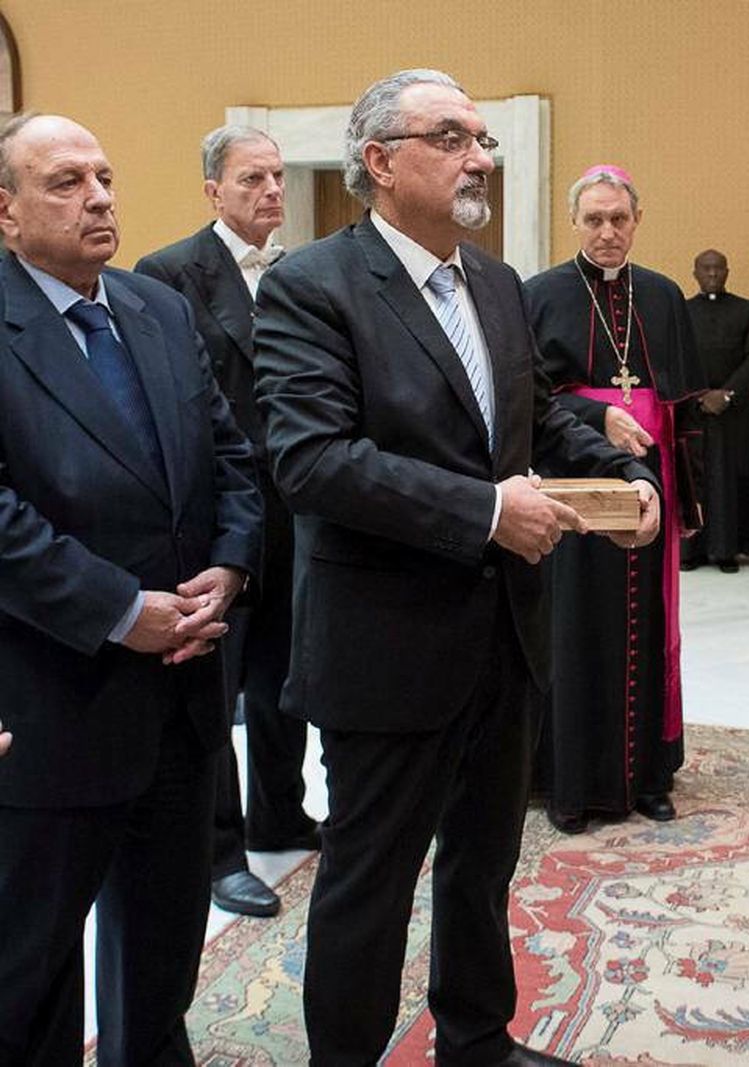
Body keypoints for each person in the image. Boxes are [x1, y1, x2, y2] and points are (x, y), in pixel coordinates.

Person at [252, 69, 658, 1065]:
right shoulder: (312, 286)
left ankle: (476, 1037)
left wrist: (616, 472)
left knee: (482, 863)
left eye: (483, 138)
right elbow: (313, 460)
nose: (480, 156)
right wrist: (484, 512)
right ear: (381, 162)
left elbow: (533, 414)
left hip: (504, 637)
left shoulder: (496, 282)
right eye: (453, 137)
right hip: (384, 648)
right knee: (369, 882)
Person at [0, 113, 262, 1065]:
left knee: (160, 958)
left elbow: (231, 456)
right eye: (66, 182)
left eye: (104, 176)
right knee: (29, 975)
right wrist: (120, 611)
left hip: (185, 694)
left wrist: (228, 571)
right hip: (53, 700)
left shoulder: (158, 310)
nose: (100, 197)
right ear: (5, 209)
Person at [136, 124, 320, 922]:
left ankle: (283, 811)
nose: (272, 191)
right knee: (216, 681)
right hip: (217, 513)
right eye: (253, 179)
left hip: (298, 507)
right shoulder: (169, 273)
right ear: (213, 190)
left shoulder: (301, 273)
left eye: (278, 177)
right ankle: (220, 851)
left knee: (288, 673)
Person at [522, 165, 706, 835]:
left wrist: (685, 493)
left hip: (649, 486)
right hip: (575, 484)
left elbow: (681, 407)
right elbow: (528, 398)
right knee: (578, 626)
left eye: (619, 219)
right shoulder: (539, 294)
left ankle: (650, 775)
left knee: (648, 625)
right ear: (575, 221)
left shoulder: (660, 296)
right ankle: (573, 781)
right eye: (595, 219)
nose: (607, 232)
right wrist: (598, 420)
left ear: (636, 221)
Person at [682, 248, 749, 572]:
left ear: (727, 272)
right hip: (694, 411)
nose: (713, 274)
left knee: (731, 478)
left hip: (733, 414)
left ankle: (728, 550)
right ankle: (692, 551)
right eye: (706, 269)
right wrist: (699, 395)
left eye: (718, 269)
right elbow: (675, 358)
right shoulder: (682, 311)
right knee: (695, 480)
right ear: (695, 273)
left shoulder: (746, 310)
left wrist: (727, 395)